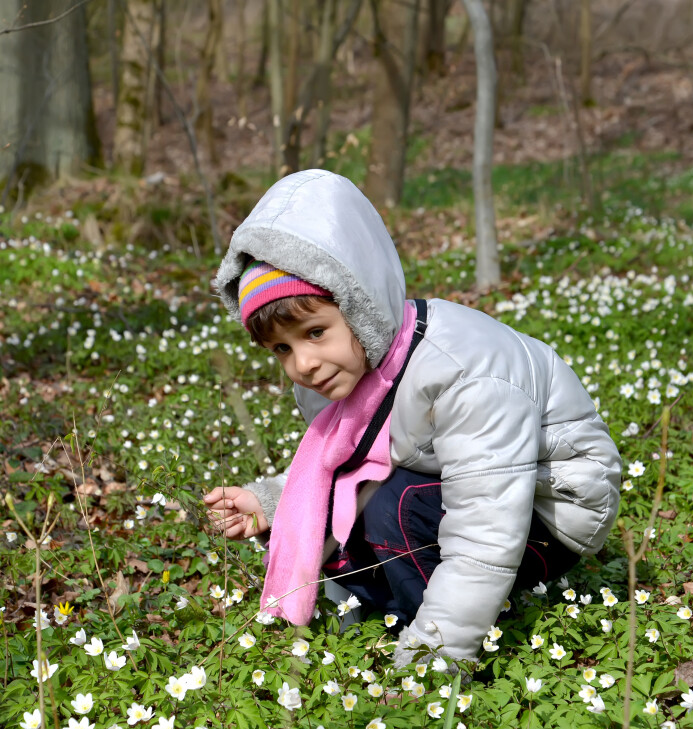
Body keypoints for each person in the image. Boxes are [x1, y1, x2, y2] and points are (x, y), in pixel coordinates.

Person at [203, 169, 621, 667]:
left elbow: (487, 529)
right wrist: (271, 501)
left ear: (358, 304)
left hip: (551, 510)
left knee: (392, 508)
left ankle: (422, 634)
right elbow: (346, 467)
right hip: (463, 485)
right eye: (281, 348)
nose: (302, 364)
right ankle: (373, 608)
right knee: (364, 503)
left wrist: (433, 659)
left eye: (315, 332)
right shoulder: (357, 364)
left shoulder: (465, 371)